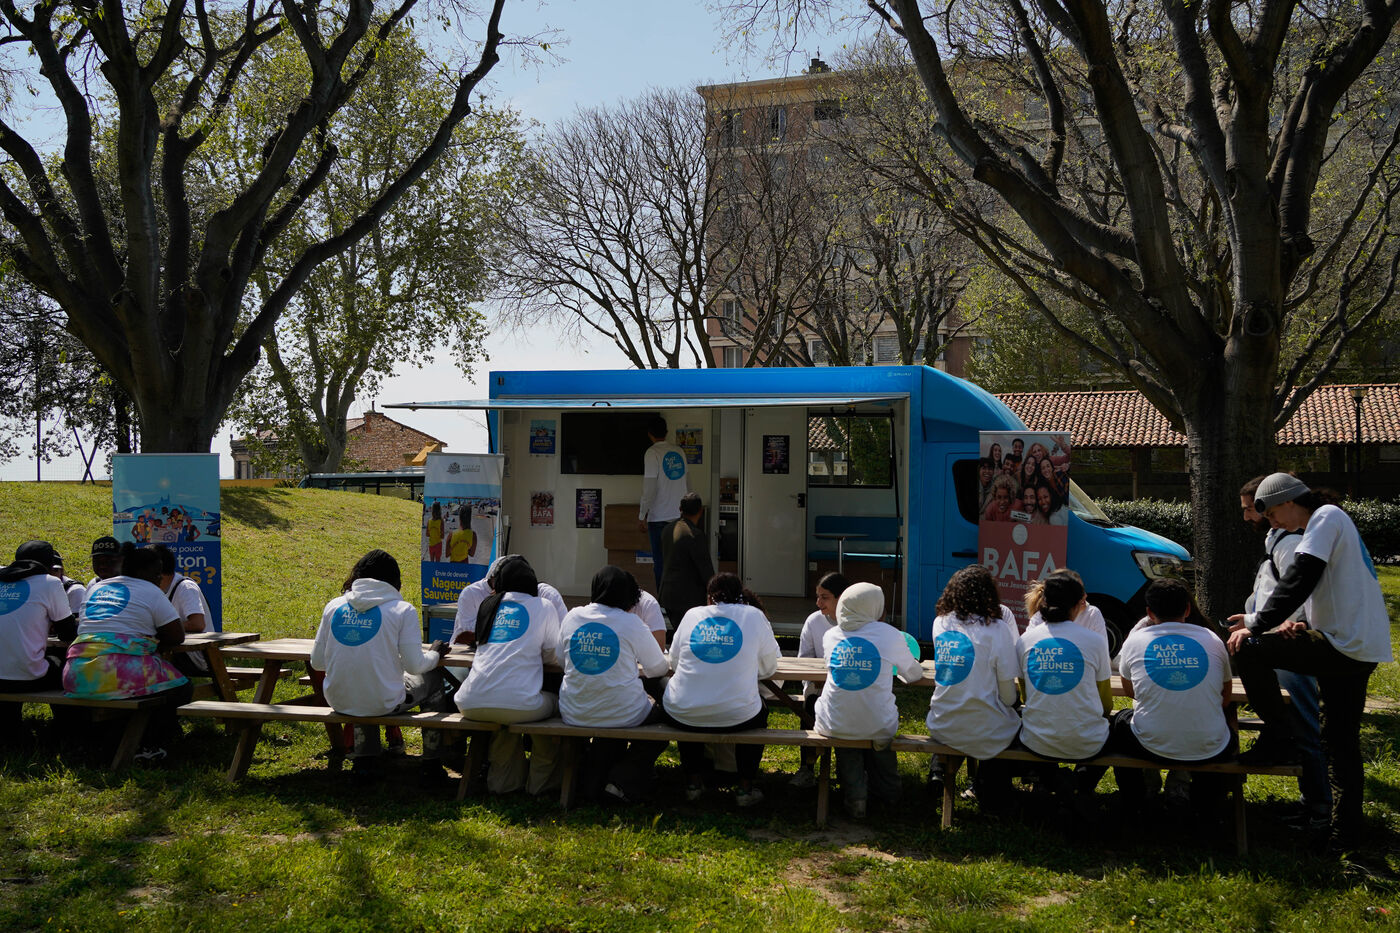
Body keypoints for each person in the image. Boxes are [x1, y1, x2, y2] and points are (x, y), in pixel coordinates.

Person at [1227, 472, 1393, 851]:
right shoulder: (1330, 521)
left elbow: (1300, 579)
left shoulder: (1325, 517)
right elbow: (1325, 588)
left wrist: (1255, 624)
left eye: (1272, 515)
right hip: (1357, 646)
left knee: (1249, 650)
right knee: (1340, 742)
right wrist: (1284, 620)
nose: (1272, 523)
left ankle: (1279, 737)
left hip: (1341, 644)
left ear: (1289, 501)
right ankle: (1345, 833)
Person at [309, 549, 452, 785]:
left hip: (338, 700)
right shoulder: (402, 610)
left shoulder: (333, 606)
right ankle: (432, 763)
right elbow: (415, 665)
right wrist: (435, 654)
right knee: (433, 678)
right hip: (382, 702)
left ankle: (364, 762)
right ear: (395, 581)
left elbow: (317, 662)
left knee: (364, 682)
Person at [1239, 474, 1329, 832]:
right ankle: (1311, 805)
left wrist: (1296, 624)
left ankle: (1320, 811)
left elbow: (1299, 589)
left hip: (1287, 644)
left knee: (1304, 727)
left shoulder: (1291, 541)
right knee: (1297, 725)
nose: (1250, 516)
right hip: (1273, 641)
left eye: (1253, 509)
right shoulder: (1276, 538)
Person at [1111, 579, 1234, 821]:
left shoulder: (1135, 641)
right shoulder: (1212, 639)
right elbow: (1225, 697)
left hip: (1148, 744)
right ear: (1187, 609)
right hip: (1210, 746)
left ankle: (1135, 802)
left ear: (1149, 613)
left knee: (1117, 723)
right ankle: (1203, 805)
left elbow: (1130, 691)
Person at [662, 572, 781, 807]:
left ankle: (693, 783)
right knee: (758, 712)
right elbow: (769, 667)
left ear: (709, 597)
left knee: (688, 706)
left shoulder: (691, 615)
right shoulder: (754, 616)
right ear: (740, 596)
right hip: (739, 716)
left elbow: (674, 662)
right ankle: (745, 788)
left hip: (682, 713)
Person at [63, 544, 191, 761]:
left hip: (75, 674)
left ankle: (100, 741)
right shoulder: (150, 590)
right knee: (182, 687)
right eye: (156, 572)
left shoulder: (96, 588)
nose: (160, 578)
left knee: (140, 688)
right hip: (117, 673)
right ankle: (149, 744)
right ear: (141, 572)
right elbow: (176, 636)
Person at [557, 566, 671, 802]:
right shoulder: (631, 622)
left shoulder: (572, 617)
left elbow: (561, 660)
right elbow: (659, 668)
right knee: (665, 723)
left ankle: (593, 779)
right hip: (624, 712)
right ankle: (622, 779)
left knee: (610, 722)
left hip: (573, 711)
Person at [453, 555, 563, 795]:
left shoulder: (487, 606)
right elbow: (552, 656)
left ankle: (504, 783)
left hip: (470, 702)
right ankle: (541, 784)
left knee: (504, 720)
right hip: (520, 704)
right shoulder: (544, 606)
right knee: (557, 706)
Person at [814, 582, 924, 819]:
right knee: (878, 728)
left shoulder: (831, 635)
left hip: (835, 723)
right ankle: (889, 795)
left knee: (846, 733)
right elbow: (913, 674)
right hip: (878, 724)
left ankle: (855, 798)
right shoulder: (890, 634)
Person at [925, 565, 1021, 813]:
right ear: (989, 593)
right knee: (1011, 722)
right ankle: (990, 791)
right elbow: (1007, 693)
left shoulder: (940, 623)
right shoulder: (998, 629)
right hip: (986, 728)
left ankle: (940, 773)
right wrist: (1014, 703)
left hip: (942, 722)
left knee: (975, 720)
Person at [1017, 569, 1113, 811]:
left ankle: (1056, 784)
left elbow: (1026, 696)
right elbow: (1106, 705)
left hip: (1035, 740)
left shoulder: (1025, 641)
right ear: (1079, 604)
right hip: (1089, 742)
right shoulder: (1095, 642)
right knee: (1119, 729)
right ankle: (1079, 786)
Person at [0, 541, 79, 736]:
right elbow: (68, 634)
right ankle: (67, 732)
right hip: (28, 679)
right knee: (67, 665)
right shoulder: (49, 583)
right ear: (49, 564)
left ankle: (10, 729)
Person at [789, 571, 849, 789]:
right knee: (811, 704)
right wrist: (817, 680)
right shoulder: (814, 621)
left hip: (848, 689)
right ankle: (807, 767)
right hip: (817, 688)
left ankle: (847, 768)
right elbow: (803, 659)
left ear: (841, 598)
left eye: (824, 597)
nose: (818, 602)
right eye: (818, 596)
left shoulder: (857, 623)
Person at [637, 416, 689, 589]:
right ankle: (678, 596)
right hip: (679, 516)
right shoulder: (679, 452)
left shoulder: (652, 453)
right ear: (666, 432)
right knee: (678, 560)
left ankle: (664, 599)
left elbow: (649, 488)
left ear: (649, 434)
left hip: (659, 517)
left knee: (660, 562)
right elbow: (686, 483)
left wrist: (642, 515)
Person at [151, 544, 215, 678]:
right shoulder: (158, 590)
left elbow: (198, 624)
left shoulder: (186, 588)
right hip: (177, 651)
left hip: (196, 657)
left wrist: (166, 627)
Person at [657, 493, 714, 627]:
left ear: (680, 509)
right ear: (700, 511)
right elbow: (705, 569)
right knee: (690, 634)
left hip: (667, 595)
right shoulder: (695, 534)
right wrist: (716, 592)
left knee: (678, 633)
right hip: (688, 599)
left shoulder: (667, 530)